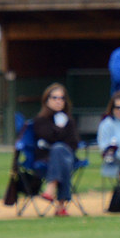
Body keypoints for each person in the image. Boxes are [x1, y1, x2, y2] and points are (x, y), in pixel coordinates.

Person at [32, 83, 80, 217]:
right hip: (46, 157)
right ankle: (61, 206)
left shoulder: (69, 121)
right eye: (55, 98)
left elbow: (73, 143)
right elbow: (46, 137)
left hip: (67, 155)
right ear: (47, 100)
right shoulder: (40, 120)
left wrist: (60, 131)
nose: (59, 101)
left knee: (60, 151)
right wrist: (59, 128)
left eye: (62, 98)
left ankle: (51, 187)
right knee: (59, 154)